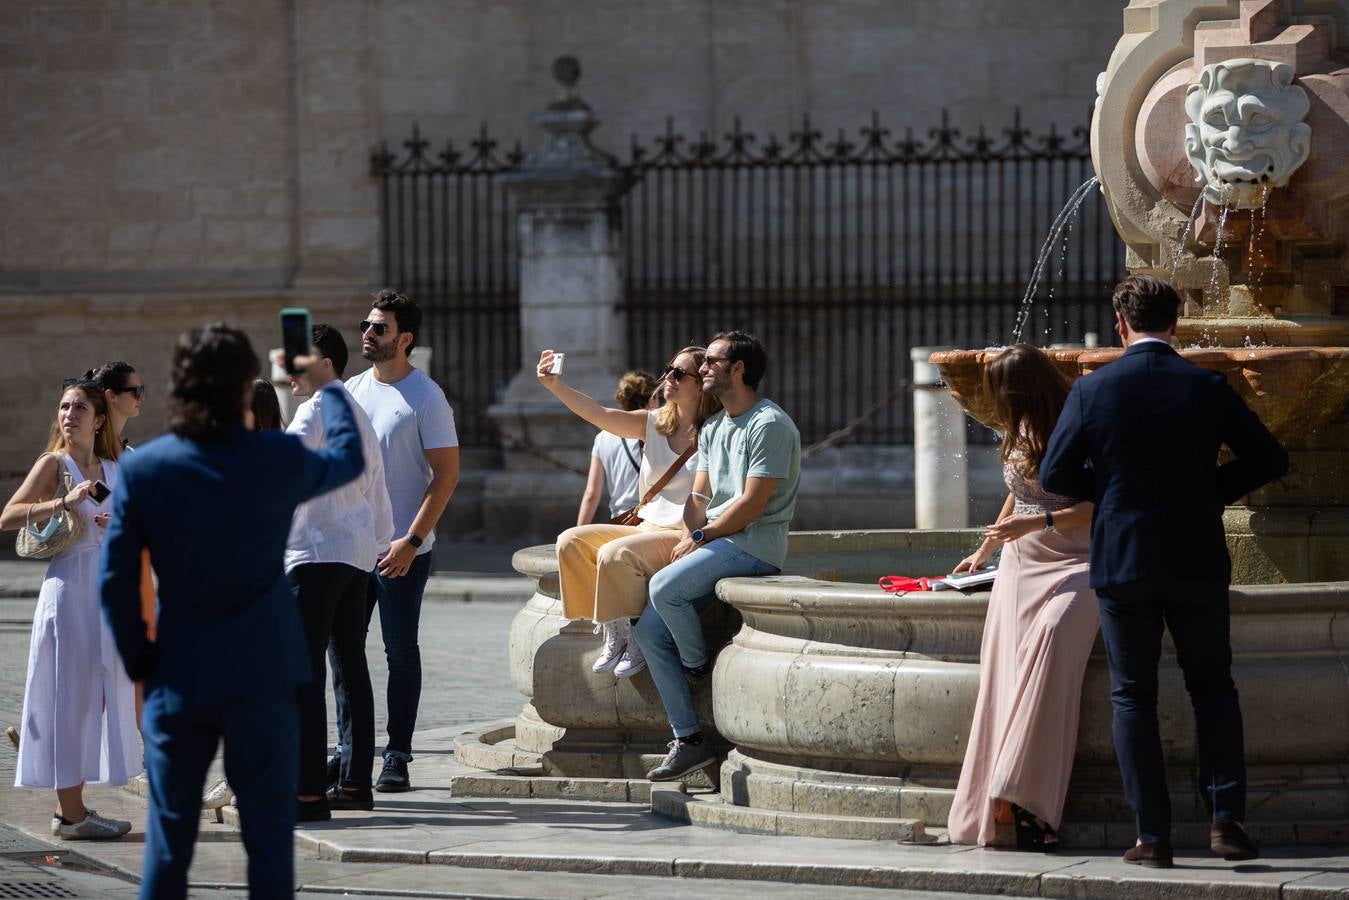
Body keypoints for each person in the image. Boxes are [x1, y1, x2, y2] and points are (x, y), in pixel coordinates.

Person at [100, 323, 365, 899]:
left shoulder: (146, 468)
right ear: (247, 386)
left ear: (179, 384)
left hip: (179, 671)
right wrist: (327, 384)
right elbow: (348, 457)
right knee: (269, 850)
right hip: (264, 672)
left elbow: (117, 583)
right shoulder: (276, 456)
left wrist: (142, 661)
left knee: (169, 848)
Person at [1040, 275, 1288, 869]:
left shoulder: (1092, 391)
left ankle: (1152, 836)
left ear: (1121, 324)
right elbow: (1270, 457)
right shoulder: (1206, 385)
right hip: (1197, 554)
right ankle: (1227, 820)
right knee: (1213, 687)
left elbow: (1054, 475)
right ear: (1176, 322)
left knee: (1133, 695)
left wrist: (1112, 493)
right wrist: (1208, 493)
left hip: (1124, 557)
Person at [946, 343, 1098, 851]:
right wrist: (986, 547)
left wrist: (1040, 521)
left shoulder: (1080, 425)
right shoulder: (1018, 428)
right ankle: (1000, 801)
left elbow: (1100, 505)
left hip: (1080, 559)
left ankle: (1027, 794)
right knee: (1003, 678)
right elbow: (1019, 491)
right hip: (1020, 562)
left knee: (1054, 639)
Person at [634, 331, 800, 781]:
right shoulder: (715, 427)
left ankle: (697, 666)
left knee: (664, 588)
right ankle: (689, 740)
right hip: (719, 540)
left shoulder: (769, 425)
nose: (703, 367)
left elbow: (752, 505)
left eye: (711, 361)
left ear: (738, 369)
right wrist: (691, 529)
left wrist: (701, 535)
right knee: (648, 632)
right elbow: (701, 494)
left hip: (755, 543)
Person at [332, 289, 459, 794]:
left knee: (399, 650)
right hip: (351, 548)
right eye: (365, 324)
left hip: (403, 549)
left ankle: (398, 754)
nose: (367, 333)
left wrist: (411, 540)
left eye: (378, 327)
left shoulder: (426, 397)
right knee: (343, 653)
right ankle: (347, 756)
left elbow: (446, 476)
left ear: (404, 339)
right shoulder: (351, 390)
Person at [1, 380, 140, 840]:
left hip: (109, 587)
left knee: (104, 696)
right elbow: (9, 515)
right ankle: (71, 814)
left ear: (99, 419)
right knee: (69, 696)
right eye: (63, 406)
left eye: (79, 407)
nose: (69, 415)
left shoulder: (114, 466)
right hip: (69, 587)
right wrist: (65, 500)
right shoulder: (53, 463)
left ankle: (75, 804)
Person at [540, 349, 720, 679]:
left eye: (679, 374)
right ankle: (616, 627)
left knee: (614, 554)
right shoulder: (654, 422)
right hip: (645, 525)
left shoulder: (715, 432)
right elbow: (598, 414)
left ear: (700, 385)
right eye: (669, 369)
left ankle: (636, 632)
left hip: (679, 532)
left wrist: (692, 536)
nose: (669, 378)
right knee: (570, 542)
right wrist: (555, 385)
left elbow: (706, 499)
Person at [286, 324, 393, 821]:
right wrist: (371, 551)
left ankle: (306, 794)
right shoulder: (358, 416)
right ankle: (353, 783)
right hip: (353, 557)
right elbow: (377, 493)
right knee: (350, 668)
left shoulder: (317, 409)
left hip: (315, 553)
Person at [577, 370, 657, 525]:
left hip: (619, 521)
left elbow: (591, 494)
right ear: (652, 400)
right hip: (650, 521)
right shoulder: (654, 431)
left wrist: (578, 531)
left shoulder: (602, 437)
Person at [87, 361, 144, 450]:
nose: (141, 398)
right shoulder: (87, 451)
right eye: (136, 391)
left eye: (141, 390)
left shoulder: (129, 453)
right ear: (111, 395)